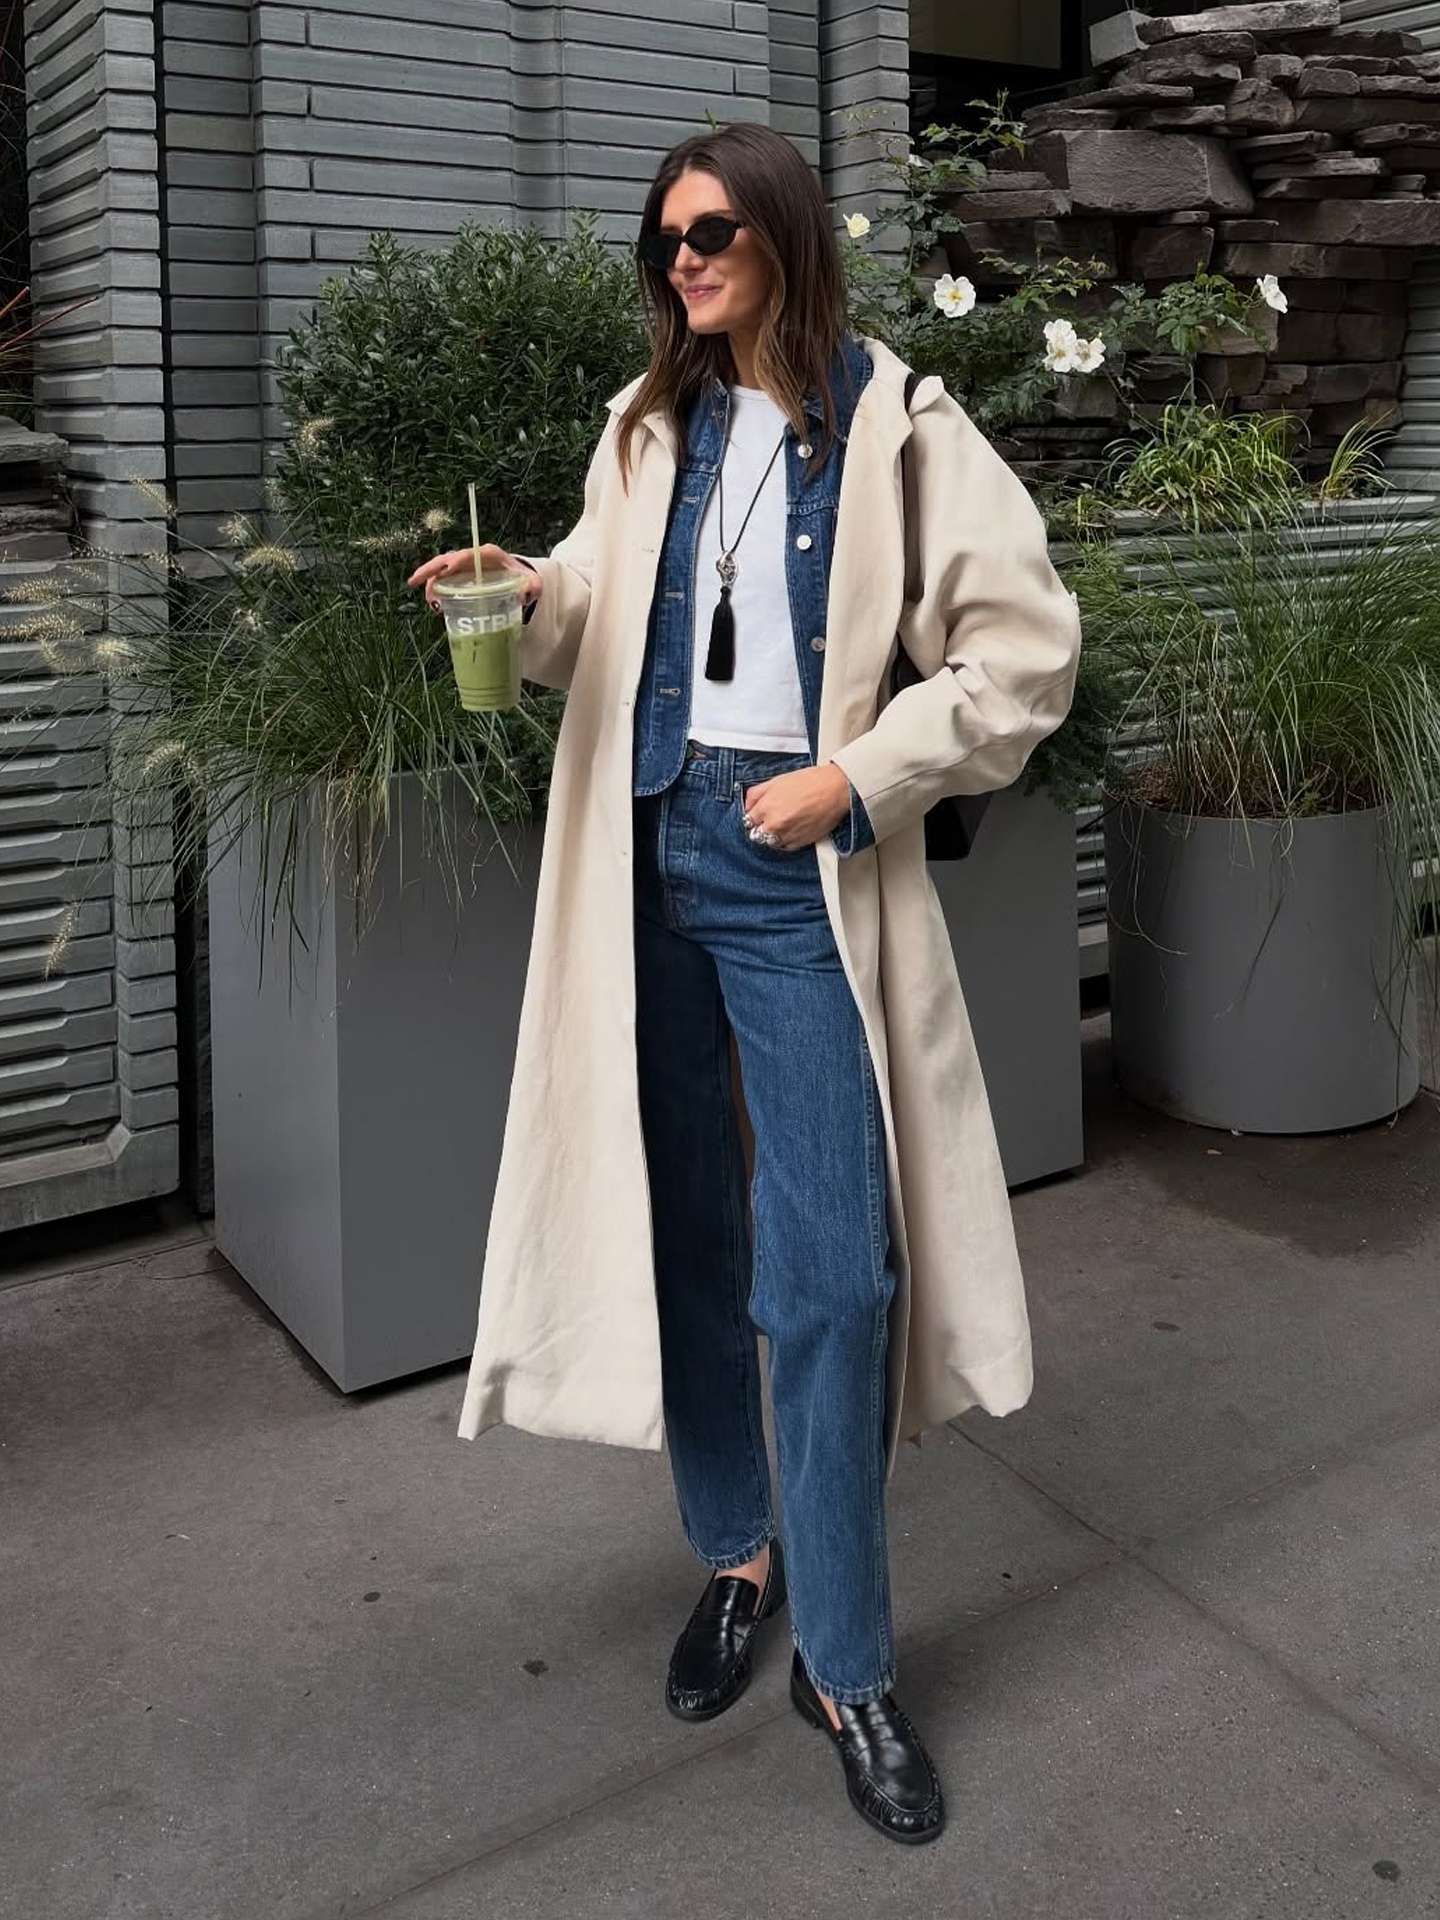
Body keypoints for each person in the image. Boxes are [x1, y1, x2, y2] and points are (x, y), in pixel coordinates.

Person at [409, 122, 1080, 1846]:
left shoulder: (894, 424)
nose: (683, 265)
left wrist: (856, 778)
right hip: (647, 853)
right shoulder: (652, 427)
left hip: (791, 870)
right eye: (664, 247)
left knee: (835, 1276)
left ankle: (846, 1662)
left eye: (709, 235)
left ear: (781, 235)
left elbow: (1023, 650)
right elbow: (596, 609)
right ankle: (735, 1554)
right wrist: (523, 594)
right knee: (684, 1230)